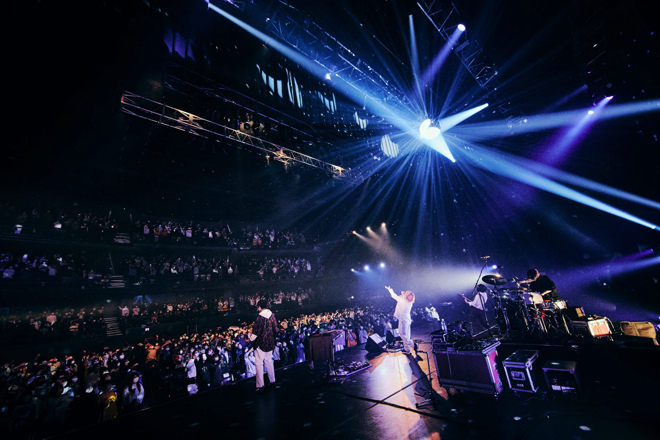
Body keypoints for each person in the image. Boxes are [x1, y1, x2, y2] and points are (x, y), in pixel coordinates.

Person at [248, 300, 278, 392]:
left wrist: (249, 335)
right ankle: (272, 381)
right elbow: (275, 329)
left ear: (260, 307)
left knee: (259, 365)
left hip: (260, 344)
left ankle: (260, 386)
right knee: (269, 362)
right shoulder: (272, 315)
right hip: (270, 343)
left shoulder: (260, 318)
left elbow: (256, 332)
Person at [385, 286, 415, 354]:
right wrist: (403, 295)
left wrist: (390, 290)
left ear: (407, 295)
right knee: (406, 335)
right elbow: (403, 299)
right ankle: (407, 349)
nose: (405, 292)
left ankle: (412, 344)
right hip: (407, 319)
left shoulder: (403, 300)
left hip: (403, 319)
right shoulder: (409, 302)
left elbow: (394, 296)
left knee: (402, 334)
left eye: (406, 292)